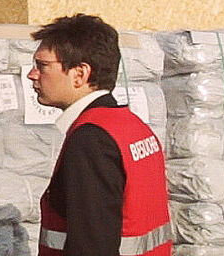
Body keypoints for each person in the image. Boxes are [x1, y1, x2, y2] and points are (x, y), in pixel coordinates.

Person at [28, 14, 172, 256]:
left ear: (80, 74)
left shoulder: (91, 140)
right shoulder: (132, 126)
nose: (32, 74)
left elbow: (92, 246)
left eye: (42, 65)